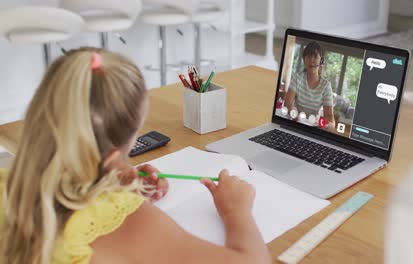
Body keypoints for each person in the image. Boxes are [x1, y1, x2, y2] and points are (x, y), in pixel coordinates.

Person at [0, 48, 270, 264]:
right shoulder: (130, 224)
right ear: (114, 154)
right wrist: (236, 210)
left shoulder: (6, 186)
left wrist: (106, 185)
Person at [284, 41, 335, 130]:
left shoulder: (326, 86)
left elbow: (330, 120)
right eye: (308, 56)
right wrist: (293, 112)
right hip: (294, 123)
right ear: (304, 60)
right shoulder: (297, 78)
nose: (311, 60)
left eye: (315, 56)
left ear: (321, 60)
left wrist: (326, 126)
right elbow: (288, 104)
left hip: (313, 128)